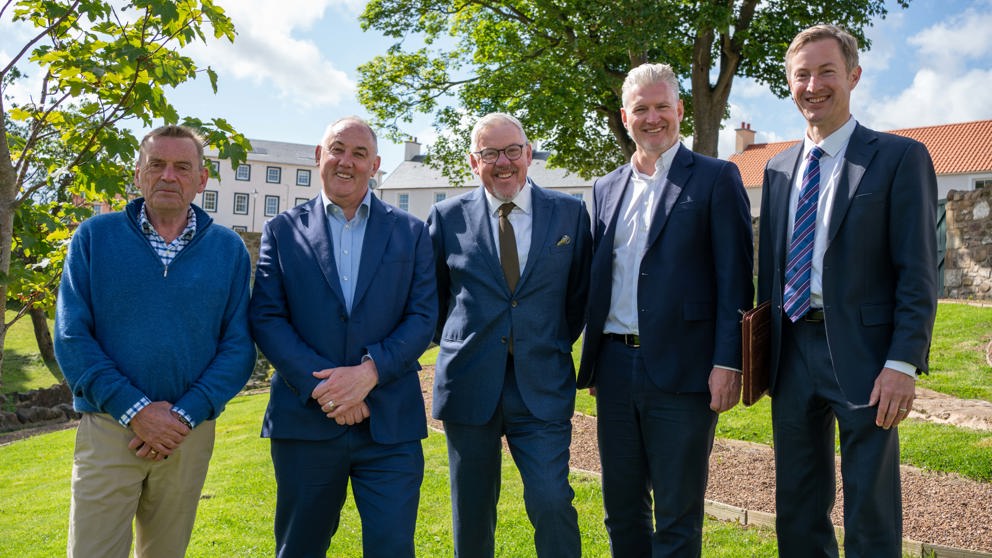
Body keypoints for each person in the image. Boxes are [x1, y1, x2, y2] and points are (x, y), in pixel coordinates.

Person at [757, 24, 938, 558]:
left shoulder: (900, 158)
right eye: (802, 75)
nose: (814, 85)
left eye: (826, 71)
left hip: (866, 357)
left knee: (870, 505)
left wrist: (903, 363)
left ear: (853, 76)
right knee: (797, 503)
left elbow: (919, 272)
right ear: (790, 84)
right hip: (791, 353)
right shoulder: (776, 168)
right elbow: (769, 270)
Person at [576, 63, 754, 557]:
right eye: (641, 109)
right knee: (622, 509)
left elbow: (735, 279)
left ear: (679, 110)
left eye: (661, 107)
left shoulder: (718, 178)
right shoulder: (605, 187)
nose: (652, 118)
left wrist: (728, 361)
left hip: (686, 370)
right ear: (624, 116)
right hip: (613, 370)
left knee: (677, 515)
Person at [54, 125, 256, 558]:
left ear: (202, 179)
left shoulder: (229, 250)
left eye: (182, 167)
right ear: (138, 174)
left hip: (188, 434)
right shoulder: (94, 237)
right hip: (110, 427)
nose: (168, 176)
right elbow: (72, 336)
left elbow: (238, 348)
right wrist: (135, 409)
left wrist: (184, 414)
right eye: (156, 165)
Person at [249, 116, 436, 558]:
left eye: (358, 154)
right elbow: (268, 318)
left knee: (393, 548)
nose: (345, 162)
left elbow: (424, 316)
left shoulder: (410, 232)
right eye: (337, 149)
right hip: (306, 424)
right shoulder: (282, 230)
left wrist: (369, 373)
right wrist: (325, 388)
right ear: (319, 156)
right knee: (300, 548)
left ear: (375, 165)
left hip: (389, 424)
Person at [427, 112, 592, 557]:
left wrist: (549, 340)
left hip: (541, 386)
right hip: (469, 385)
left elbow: (579, 297)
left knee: (552, 500)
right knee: (474, 514)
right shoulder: (446, 218)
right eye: (490, 153)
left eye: (512, 151)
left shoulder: (571, 214)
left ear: (529, 153)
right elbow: (435, 300)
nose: (503, 162)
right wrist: (466, 340)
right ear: (472, 161)